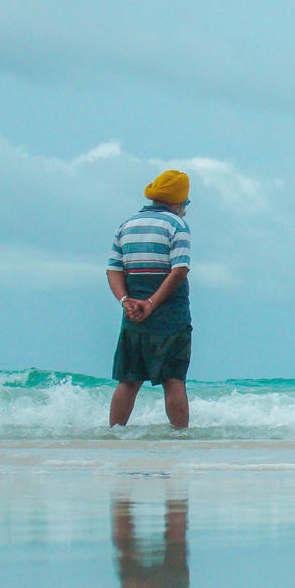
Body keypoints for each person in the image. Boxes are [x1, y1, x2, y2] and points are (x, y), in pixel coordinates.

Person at [106, 170, 194, 429]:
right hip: (170, 315)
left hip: (133, 314)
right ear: (178, 202)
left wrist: (125, 301)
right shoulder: (177, 226)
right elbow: (179, 271)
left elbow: (114, 269)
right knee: (174, 380)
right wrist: (152, 303)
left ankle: (115, 436)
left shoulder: (126, 225)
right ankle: (180, 437)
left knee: (129, 381)